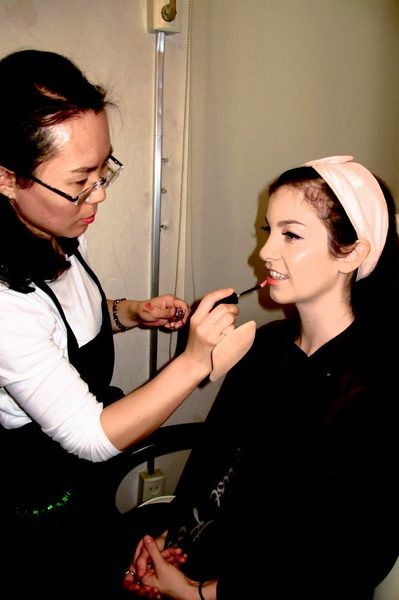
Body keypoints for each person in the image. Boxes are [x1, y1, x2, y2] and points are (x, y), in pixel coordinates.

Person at [0, 48, 239, 597]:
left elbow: (61, 330)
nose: (100, 194)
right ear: (8, 178)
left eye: (104, 168)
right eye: (81, 180)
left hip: (84, 492)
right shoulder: (3, 298)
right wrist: (195, 361)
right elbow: (88, 435)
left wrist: (129, 313)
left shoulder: (47, 231)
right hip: (38, 513)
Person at [123, 155, 399, 600]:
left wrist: (199, 593)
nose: (265, 253)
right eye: (269, 231)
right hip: (210, 553)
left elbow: (352, 561)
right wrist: (170, 543)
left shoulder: (375, 387)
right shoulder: (265, 345)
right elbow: (213, 464)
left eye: (291, 235)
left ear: (353, 252)